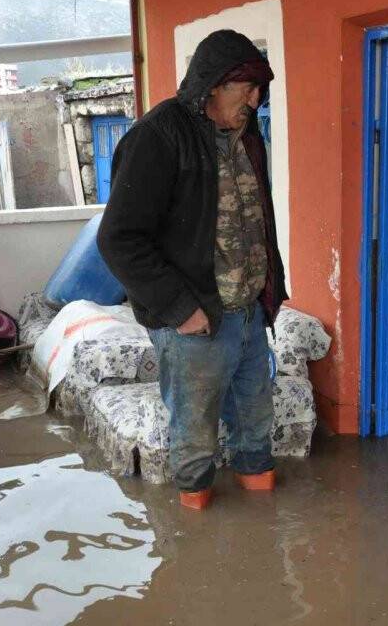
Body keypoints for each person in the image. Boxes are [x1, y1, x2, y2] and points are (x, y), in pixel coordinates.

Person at [98, 30, 287, 510]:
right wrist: (181, 310)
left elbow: (258, 220)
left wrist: (270, 292)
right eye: (247, 87)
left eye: (260, 88)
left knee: (256, 424)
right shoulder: (157, 137)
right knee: (195, 433)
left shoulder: (247, 136)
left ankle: (264, 517)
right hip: (196, 319)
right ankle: (194, 528)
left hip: (249, 311)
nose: (256, 100)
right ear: (213, 85)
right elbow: (119, 239)